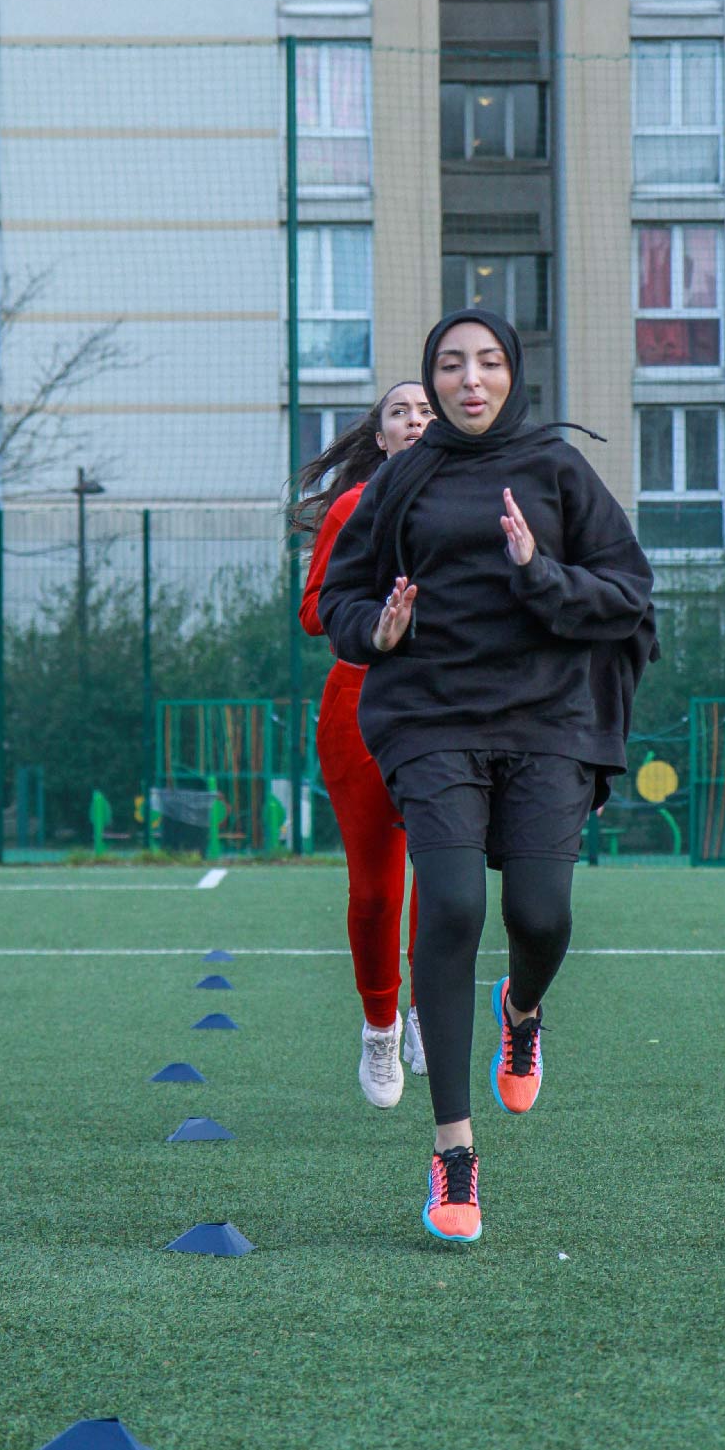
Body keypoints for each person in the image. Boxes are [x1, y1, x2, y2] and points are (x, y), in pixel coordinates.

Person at [319, 312, 657, 1243]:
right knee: (454, 907)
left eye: (490, 362)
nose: (472, 379)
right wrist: (375, 632)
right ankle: (454, 1156)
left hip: (550, 718)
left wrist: (539, 573)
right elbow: (340, 600)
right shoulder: (401, 482)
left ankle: (523, 1006)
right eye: (452, 365)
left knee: (541, 916)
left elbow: (630, 592)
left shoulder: (555, 470)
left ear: (514, 374)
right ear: (433, 379)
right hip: (431, 720)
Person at [296, 382, 436, 1108]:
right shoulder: (354, 509)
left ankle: (426, 1012)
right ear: (380, 437)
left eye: (428, 411)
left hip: (449, 708)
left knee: (447, 876)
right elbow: (313, 610)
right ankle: (380, 1025)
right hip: (360, 704)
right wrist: (377, 618)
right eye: (400, 411)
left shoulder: (476, 508)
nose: (416, 419)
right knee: (379, 891)